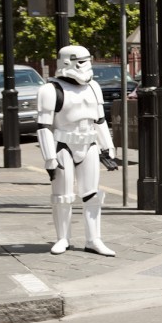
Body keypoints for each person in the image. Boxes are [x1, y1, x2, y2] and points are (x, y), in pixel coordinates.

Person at [36, 45, 119, 256]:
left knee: (92, 195)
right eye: (80, 61)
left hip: (89, 143)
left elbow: (99, 120)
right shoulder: (50, 90)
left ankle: (94, 239)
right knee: (63, 195)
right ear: (66, 62)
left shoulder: (94, 87)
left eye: (87, 60)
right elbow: (43, 126)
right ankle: (63, 238)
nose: (86, 66)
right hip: (63, 144)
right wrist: (49, 158)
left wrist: (107, 146)